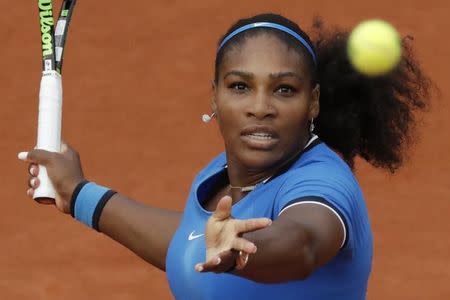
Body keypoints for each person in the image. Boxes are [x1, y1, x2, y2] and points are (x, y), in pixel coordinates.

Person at [19, 13, 431, 300]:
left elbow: (302, 244)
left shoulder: (323, 183)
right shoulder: (217, 177)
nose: (260, 106)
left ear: (313, 102)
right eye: (239, 87)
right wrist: (79, 194)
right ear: (214, 95)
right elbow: (189, 243)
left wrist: (241, 253)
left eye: (284, 89)